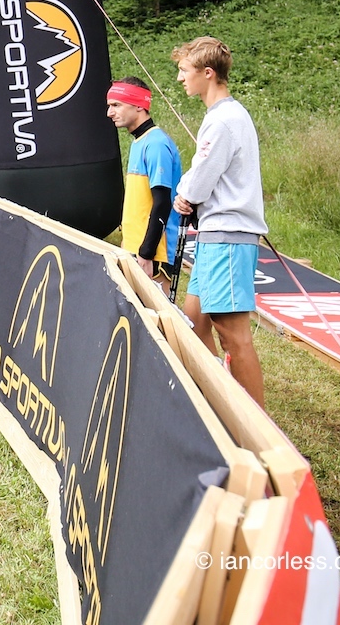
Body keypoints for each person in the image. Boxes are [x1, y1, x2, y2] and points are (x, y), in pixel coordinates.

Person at [171, 37, 267, 408]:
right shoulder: (223, 117)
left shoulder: (224, 120)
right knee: (194, 323)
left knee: (233, 336)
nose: (180, 78)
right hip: (217, 234)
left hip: (227, 236)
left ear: (208, 73)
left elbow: (198, 181)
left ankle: (256, 427)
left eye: (185, 71)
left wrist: (185, 194)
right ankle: (220, 404)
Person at [108, 76, 184, 286]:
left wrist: (147, 252)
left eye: (116, 105)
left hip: (154, 254)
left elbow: (162, 202)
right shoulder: (139, 142)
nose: (109, 112)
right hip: (135, 249)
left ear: (139, 105)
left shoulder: (156, 144)